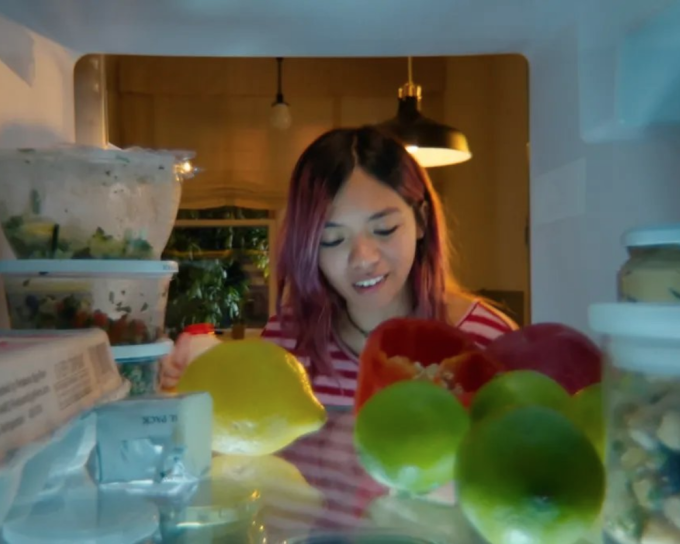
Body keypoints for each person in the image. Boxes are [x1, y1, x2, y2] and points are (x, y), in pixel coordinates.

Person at [161, 125, 517, 403]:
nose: (363, 257)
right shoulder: (288, 343)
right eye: (332, 239)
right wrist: (194, 387)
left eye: (384, 229)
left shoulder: (487, 343)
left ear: (421, 221)